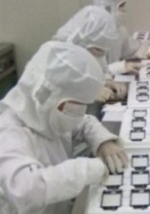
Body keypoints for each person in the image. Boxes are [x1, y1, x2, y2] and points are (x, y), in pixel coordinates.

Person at [0, 42, 128, 214]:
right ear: (47, 95)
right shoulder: (9, 133)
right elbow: (25, 191)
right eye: (77, 105)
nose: (80, 111)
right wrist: (89, 169)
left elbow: (83, 122)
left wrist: (103, 142)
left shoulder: (45, 115)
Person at [53, 5, 128, 102]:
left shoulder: (91, 47)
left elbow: (100, 71)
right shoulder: (58, 59)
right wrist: (89, 93)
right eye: (98, 49)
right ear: (80, 40)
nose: (101, 54)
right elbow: (56, 97)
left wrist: (106, 82)